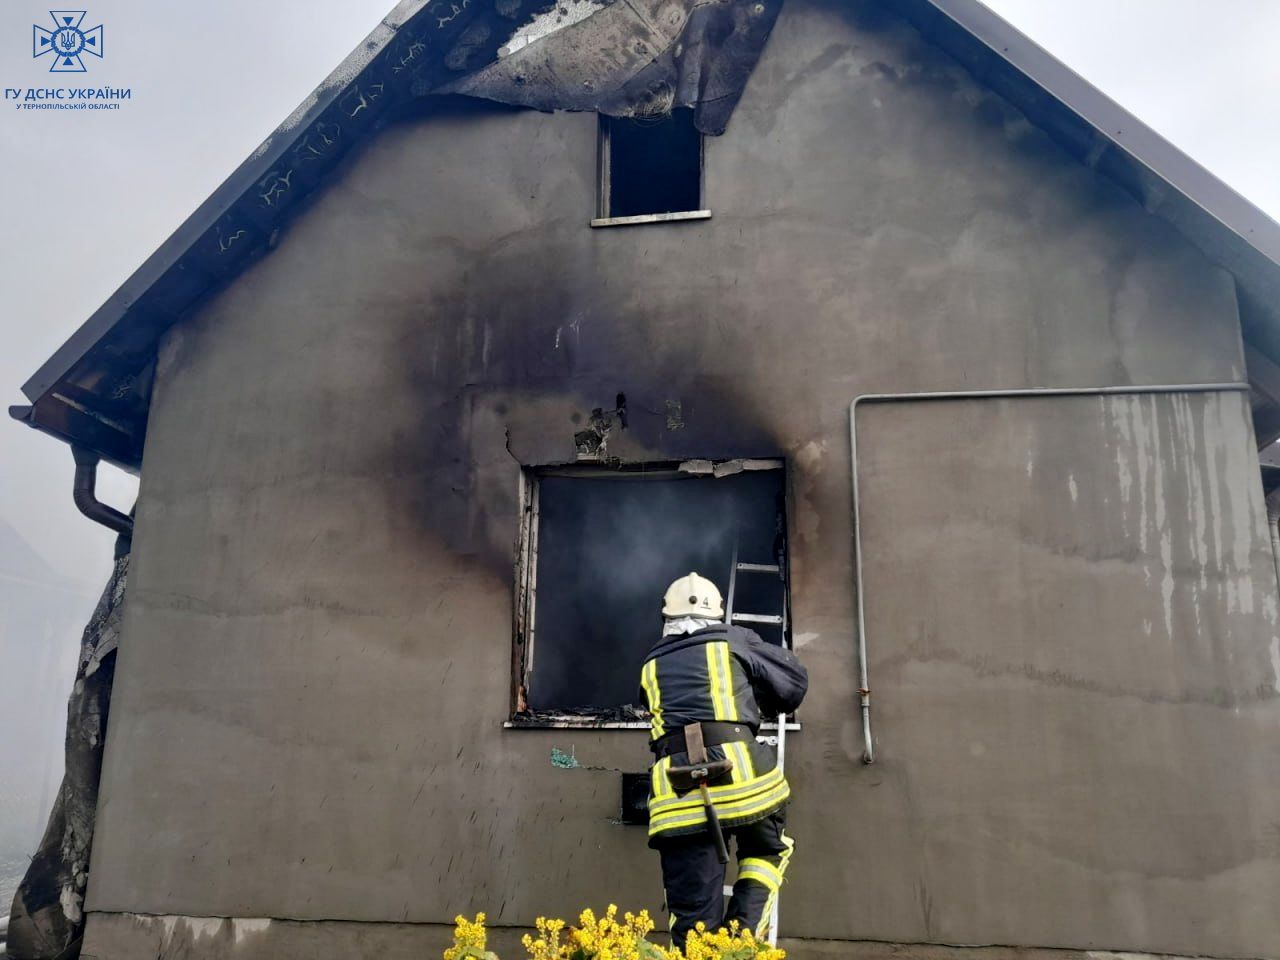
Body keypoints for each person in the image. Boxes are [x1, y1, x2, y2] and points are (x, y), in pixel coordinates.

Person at [639, 571, 808, 946]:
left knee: (692, 910)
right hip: (747, 785)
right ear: (716, 615)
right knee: (765, 850)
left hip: (679, 801)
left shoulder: (649, 663)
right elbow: (792, 685)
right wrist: (754, 703)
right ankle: (738, 944)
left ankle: (701, 949)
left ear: (666, 618)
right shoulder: (733, 638)